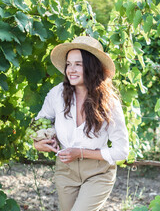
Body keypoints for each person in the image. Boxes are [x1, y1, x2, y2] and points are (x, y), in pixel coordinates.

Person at [34, 36, 129, 211]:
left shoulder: (109, 103)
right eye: (68, 64)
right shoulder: (57, 95)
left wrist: (80, 153)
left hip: (98, 173)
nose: (71, 69)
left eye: (78, 64)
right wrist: (40, 142)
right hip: (65, 171)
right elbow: (40, 122)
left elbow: (122, 151)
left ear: (91, 66)